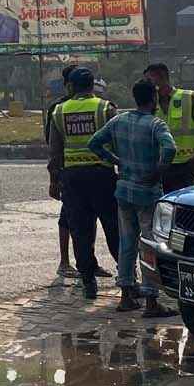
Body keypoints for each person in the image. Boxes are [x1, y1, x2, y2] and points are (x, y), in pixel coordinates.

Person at [88, 78, 177, 317]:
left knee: (126, 242)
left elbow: (94, 143)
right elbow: (169, 149)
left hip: (124, 189)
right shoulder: (155, 124)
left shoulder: (119, 120)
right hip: (147, 192)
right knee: (149, 244)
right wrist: (158, 171)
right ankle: (150, 299)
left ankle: (126, 295)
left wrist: (115, 160)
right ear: (154, 99)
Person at [48, 67, 120, 299]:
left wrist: (54, 180)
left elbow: (55, 152)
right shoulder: (105, 108)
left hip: (73, 178)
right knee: (113, 227)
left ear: (71, 86)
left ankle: (88, 281)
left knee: (80, 231)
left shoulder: (59, 111)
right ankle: (127, 274)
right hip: (102, 176)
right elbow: (119, 142)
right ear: (92, 85)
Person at [142, 62, 194, 193]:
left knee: (186, 208)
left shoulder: (188, 97)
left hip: (186, 165)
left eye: (149, 80)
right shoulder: (149, 103)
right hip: (160, 166)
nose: (146, 84)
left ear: (161, 77)